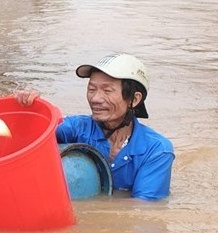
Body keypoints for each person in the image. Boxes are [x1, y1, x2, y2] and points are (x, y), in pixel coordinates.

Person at [15, 53, 174, 200]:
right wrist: (28, 109)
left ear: (134, 99)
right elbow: (32, 136)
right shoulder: (77, 127)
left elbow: (143, 210)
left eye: (107, 90)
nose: (96, 98)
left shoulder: (157, 150)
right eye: (91, 89)